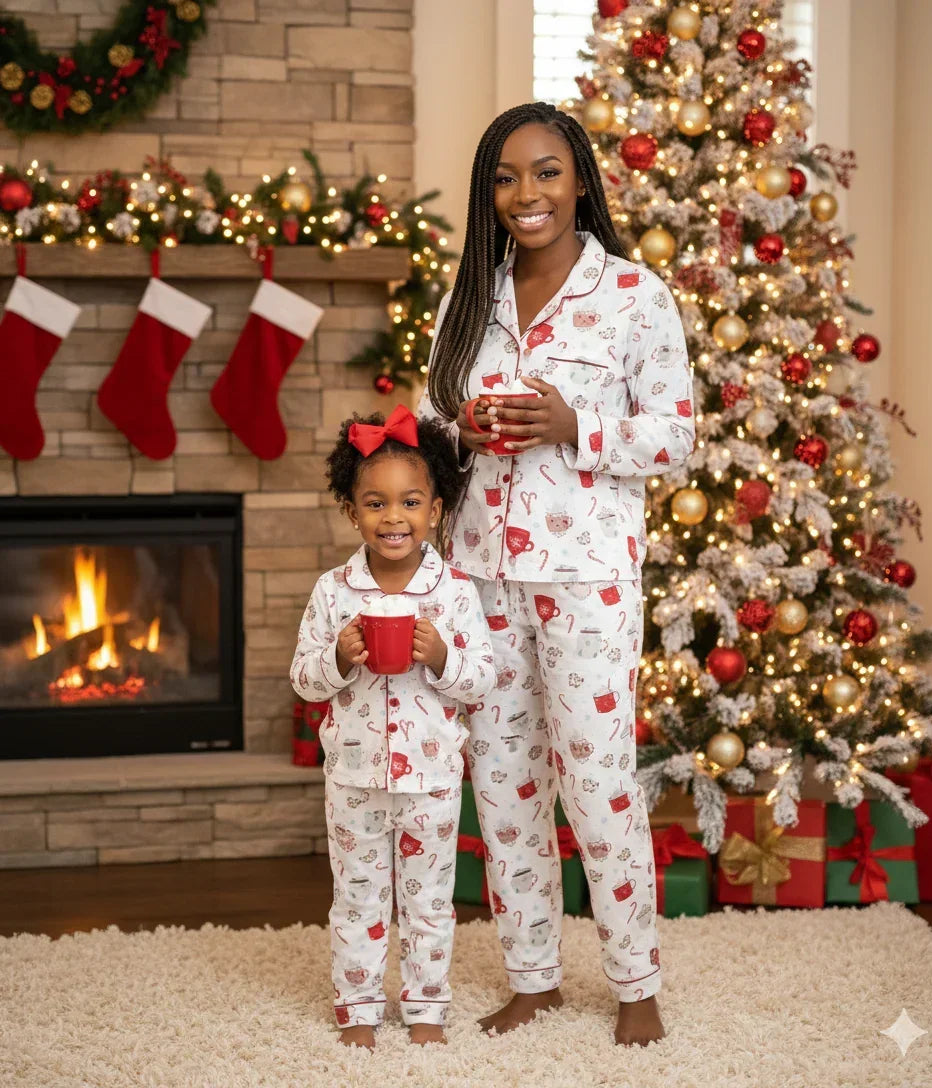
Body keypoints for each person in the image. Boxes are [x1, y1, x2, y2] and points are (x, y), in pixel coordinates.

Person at [417, 102, 694, 1046]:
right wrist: (464, 430)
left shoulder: (634, 294)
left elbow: (676, 437)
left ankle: (636, 983)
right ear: (487, 193)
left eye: (544, 172)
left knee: (598, 781)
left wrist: (577, 427)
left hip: (588, 579)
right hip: (480, 576)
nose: (525, 193)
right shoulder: (469, 299)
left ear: (579, 181)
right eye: (505, 177)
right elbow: (429, 424)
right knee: (502, 784)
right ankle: (532, 978)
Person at [290, 405, 495, 1049]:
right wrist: (337, 658)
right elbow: (303, 681)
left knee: (429, 900)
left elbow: (481, 680)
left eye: (410, 502)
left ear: (435, 509)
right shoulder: (333, 591)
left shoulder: (454, 591)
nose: (393, 517)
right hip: (353, 779)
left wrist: (441, 658)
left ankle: (427, 1006)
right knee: (358, 899)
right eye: (375, 503)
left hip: (432, 779)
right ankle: (358, 1007)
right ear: (353, 512)